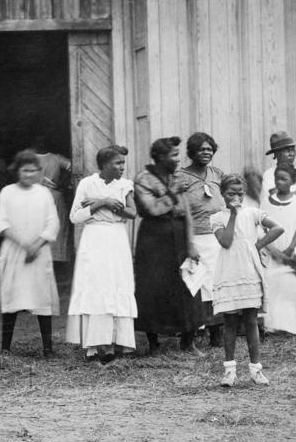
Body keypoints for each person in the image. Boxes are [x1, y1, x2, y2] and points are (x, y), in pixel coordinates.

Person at [65, 145, 137, 363]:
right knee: (96, 287)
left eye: (123, 163)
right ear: (104, 164)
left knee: (118, 285)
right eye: (117, 163)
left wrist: (113, 206)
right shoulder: (87, 184)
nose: (122, 167)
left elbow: (132, 213)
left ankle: (120, 343)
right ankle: (96, 346)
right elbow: (75, 217)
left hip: (116, 238)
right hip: (94, 239)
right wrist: (101, 202)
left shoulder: (125, 185)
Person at [210, 174, 283, 387]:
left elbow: (278, 228)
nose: (236, 197)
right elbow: (225, 241)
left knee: (251, 321)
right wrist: (232, 215)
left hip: (249, 270)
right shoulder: (217, 217)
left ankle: (256, 370)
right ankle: (229, 371)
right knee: (230, 322)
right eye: (231, 193)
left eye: (240, 193)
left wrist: (258, 245)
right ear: (222, 194)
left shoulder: (252, 213)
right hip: (229, 271)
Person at [133, 137, 196, 352]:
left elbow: (187, 212)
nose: (178, 159)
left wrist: (191, 243)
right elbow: (152, 209)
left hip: (178, 235)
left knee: (186, 284)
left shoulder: (177, 176)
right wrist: (173, 193)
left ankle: (188, 341)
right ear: (160, 157)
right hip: (154, 237)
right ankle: (153, 343)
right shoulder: (143, 179)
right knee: (152, 287)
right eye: (174, 155)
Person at [0, 149, 60, 357]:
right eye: (25, 171)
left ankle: (48, 348)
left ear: (39, 171)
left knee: (42, 298)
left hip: (39, 254)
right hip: (15, 252)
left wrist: (37, 244)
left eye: (33, 171)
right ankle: (6, 348)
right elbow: (2, 224)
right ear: (17, 171)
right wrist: (25, 245)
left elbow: (53, 223)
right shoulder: (7, 192)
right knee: (11, 297)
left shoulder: (44, 193)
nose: (29, 175)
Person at [177, 132, 227, 346]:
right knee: (194, 285)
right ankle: (191, 336)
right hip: (194, 238)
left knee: (216, 284)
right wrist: (188, 242)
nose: (206, 152)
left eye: (209, 149)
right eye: (201, 149)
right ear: (192, 152)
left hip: (215, 237)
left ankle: (216, 333)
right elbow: (178, 207)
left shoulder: (217, 174)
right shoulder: (181, 176)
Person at [262, 164, 296, 334]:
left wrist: (291, 248)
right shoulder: (266, 202)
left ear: (292, 181)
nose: (280, 182)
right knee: (274, 286)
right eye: (277, 179)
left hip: (292, 250)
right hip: (272, 251)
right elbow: (262, 228)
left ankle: (292, 327)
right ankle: (273, 326)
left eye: (284, 179)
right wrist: (272, 249)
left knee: (291, 287)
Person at [33, 142, 73, 262]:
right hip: (42, 196)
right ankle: (45, 258)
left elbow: (73, 166)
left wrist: (62, 183)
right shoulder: (32, 159)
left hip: (49, 196)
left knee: (54, 227)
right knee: (46, 227)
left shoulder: (55, 157)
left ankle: (55, 260)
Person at [260, 130, 296, 198]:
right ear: (277, 153)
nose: (291, 154)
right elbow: (274, 196)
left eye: (292, 150)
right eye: (287, 150)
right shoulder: (270, 174)